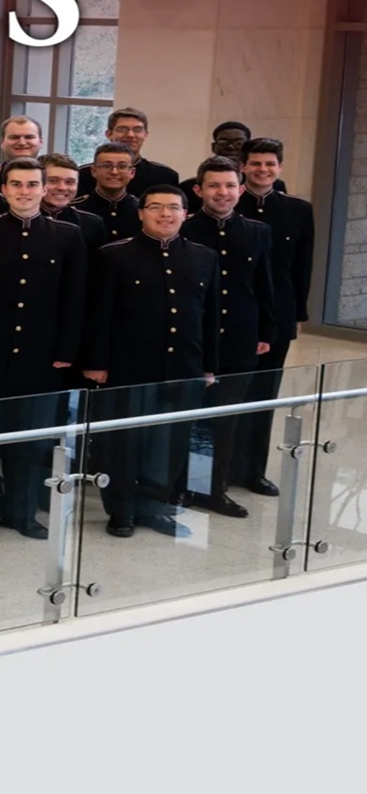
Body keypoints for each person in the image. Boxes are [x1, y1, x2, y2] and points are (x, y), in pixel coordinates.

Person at [0, 158, 86, 539]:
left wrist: (66, 350)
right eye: (16, 184)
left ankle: (23, 513)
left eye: (32, 184)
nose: (24, 191)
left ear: (44, 189)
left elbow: (74, 298)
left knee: (33, 440)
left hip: (42, 356)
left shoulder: (67, 235)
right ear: (4, 189)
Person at [82, 185, 218, 538]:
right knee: (123, 443)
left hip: (184, 366)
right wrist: (96, 362)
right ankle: (121, 510)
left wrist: (208, 366)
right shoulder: (114, 255)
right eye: (156, 207)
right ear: (141, 213)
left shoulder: (203, 256)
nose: (165, 214)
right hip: (129, 366)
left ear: (185, 213)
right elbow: (99, 315)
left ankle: (154, 507)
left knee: (169, 442)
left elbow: (210, 316)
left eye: (173, 207)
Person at [180, 157, 276, 518]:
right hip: (194, 336)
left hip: (239, 336)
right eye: (214, 185)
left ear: (241, 189)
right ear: (199, 190)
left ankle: (214, 489)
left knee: (227, 417)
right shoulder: (185, 228)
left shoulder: (257, 231)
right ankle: (181, 486)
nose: (223, 192)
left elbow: (264, 284)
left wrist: (266, 331)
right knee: (189, 417)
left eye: (230, 185)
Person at [235, 138, 313, 496]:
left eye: (269, 164)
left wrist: (298, 313)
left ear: (279, 167)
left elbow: (302, 266)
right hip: (235, 314)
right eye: (255, 163)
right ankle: (217, 471)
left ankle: (253, 471)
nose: (262, 170)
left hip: (278, 314)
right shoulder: (228, 202)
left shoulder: (298, 210)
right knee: (228, 395)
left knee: (264, 396)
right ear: (243, 167)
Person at [78, 108, 180, 197]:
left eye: (137, 130)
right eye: (122, 129)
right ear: (109, 134)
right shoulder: (82, 175)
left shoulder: (164, 176)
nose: (130, 135)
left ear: (145, 135)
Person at [39, 152, 107, 252]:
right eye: (52, 181)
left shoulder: (91, 224)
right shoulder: (18, 221)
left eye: (70, 182)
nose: (62, 188)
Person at [76, 141, 142, 242]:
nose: (114, 172)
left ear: (132, 173)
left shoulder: (143, 211)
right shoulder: (75, 210)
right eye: (107, 166)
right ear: (93, 171)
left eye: (122, 166)